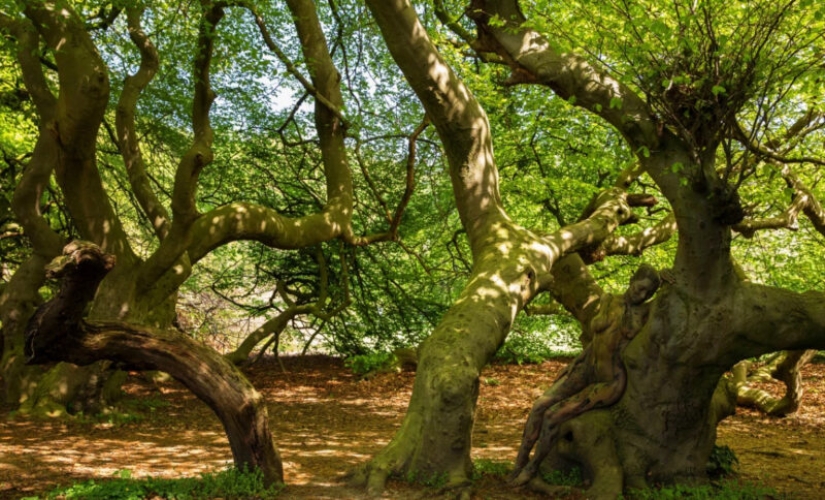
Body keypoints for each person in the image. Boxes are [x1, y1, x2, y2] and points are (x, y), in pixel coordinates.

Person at [511, 264, 661, 486]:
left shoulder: (647, 311)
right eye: (641, 288)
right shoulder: (609, 299)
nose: (643, 295)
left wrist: (668, 278)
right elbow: (598, 339)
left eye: (648, 292)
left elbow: (671, 300)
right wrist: (576, 361)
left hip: (611, 381)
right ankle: (519, 463)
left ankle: (533, 467)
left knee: (552, 416)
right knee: (539, 406)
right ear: (632, 279)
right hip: (588, 367)